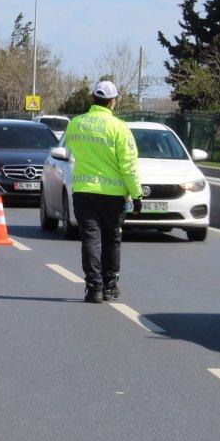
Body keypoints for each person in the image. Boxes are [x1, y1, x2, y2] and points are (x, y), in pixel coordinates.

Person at [63, 80, 142, 304]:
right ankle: (109, 285)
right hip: (113, 195)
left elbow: (72, 151)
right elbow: (129, 165)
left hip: (83, 192)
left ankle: (93, 287)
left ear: (92, 98)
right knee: (112, 239)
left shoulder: (75, 124)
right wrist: (137, 195)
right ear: (113, 102)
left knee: (90, 239)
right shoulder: (119, 128)